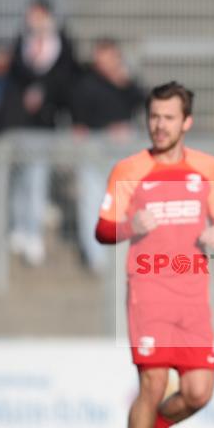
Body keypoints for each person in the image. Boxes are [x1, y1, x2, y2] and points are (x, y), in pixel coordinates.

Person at [95, 82, 214, 428]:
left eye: (168, 117)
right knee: (153, 383)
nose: (159, 125)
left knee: (198, 393)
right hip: (148, 291)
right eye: (154, 116)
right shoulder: (128, 169)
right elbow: (102, 229)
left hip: (193, 295)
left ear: (186, 122)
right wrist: (128, 227)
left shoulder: (208, 167)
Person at [0, 0, 79, 266]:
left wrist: (45, 94)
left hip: (45, 123)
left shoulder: (62, 45)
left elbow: (65, 80)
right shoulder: (21, 42)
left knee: (37, 176)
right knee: (20, 175)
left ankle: (33, 233)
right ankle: (18, 227)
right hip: (19, 123)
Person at [71, 37, 144, 272]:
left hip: (122, 152)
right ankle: (97, 258)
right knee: (92, 202)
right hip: (95, 149)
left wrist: (124, 82)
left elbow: (141, 101)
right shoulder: (86, 83)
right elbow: (80, 118)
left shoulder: (125, 82)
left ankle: (126, 254)